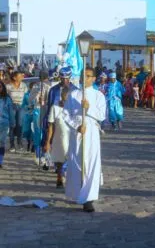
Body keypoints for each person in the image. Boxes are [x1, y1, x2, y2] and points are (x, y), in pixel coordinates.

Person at [62, 67, 106, 212]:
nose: (85, 78)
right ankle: (77, 192)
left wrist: (88, 108)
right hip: (78, 131)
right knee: (77, 162)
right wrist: (76, 126)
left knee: (91, 162)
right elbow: (66, 114)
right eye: (83, 75)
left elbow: (101, 115)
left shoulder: (99, 95)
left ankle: (89, 197)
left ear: (94, 78)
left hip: (92, 131)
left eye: (88, 76)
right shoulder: (73, 94)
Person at [44, 73, 74, 188]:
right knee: (59, 159)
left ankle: (68, 176)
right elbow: (50, 126)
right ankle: (59, 177)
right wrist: (47, 142)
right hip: (58, 137)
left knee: (69, 157)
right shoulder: (55, 107)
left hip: (71, 136)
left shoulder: (73, 109)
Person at [6, 71, 28, 152]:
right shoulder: (8, 86)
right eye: (20, 76)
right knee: (12, 125)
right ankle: (12, 145)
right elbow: (5, 97)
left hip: (21, 106)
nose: (22, 77)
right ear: (14, 77)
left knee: (20, 125)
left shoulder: (24, 85)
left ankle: (20, 143)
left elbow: (26, 96)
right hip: (11, 106)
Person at [0, 82, 16, 168]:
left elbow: (11, 113)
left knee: (1, 142)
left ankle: (0, 161)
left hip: (4, 124)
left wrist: (12, 123)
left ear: (3, 88)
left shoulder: (7, 99)